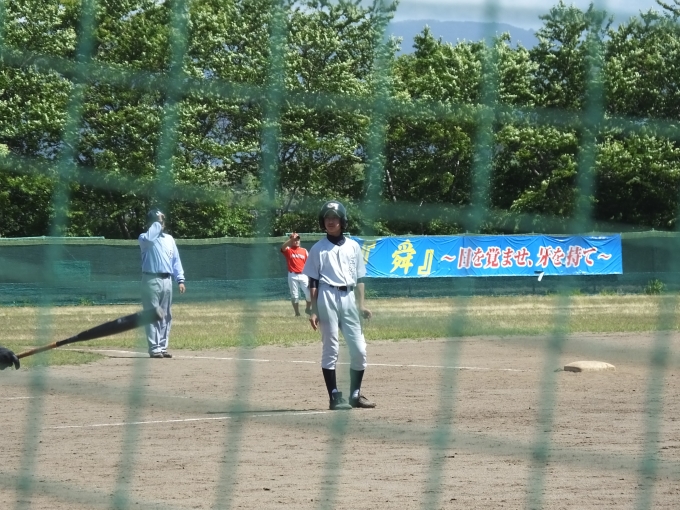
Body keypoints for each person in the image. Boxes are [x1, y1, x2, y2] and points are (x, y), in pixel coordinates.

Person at [302, 200, 376, 411]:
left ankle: (355, 395)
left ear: (342, 221)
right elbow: (313, 281)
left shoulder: (353, 246)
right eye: (327, 218)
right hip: (327, 295)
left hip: (349, 296)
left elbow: (359, 278)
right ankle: (334, 396)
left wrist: (361, 305)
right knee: (331, 347)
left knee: (359, 349)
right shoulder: (318, 248)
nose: (330, 221)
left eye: (334, 217)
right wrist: (314, 310)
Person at [139, 208, 186, 359]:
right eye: (159, 220)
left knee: (166, 315)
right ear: (152, 223)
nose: (162, 223)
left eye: (162, 220)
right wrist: (157, 221)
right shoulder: (144, 238)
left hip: (167, 280)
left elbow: (176, 260)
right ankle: (154, 348)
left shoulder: (169, 239)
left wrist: (180, 279)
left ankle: (163, 347)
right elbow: (150, 237)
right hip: (151, 280)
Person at [280, 232, 312, 316]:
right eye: (294, 240)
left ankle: (308, 309)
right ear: (291, 241)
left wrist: (310, 277)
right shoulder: (288, 250)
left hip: (303, 274)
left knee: (309, 294)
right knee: (295, 295)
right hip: (292, 275)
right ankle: (297, 313)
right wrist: (291, 240)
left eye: (298, 239)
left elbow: (309, 264)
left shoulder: (304, 251)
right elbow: (283, 247)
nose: (296, 241)